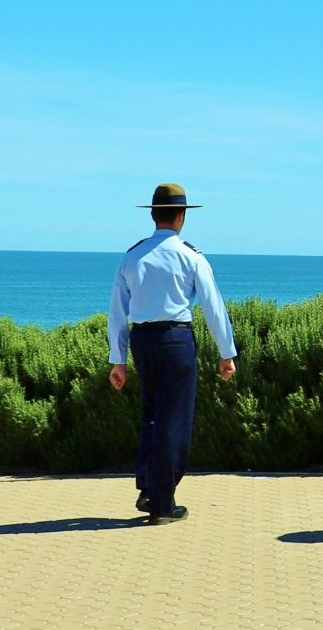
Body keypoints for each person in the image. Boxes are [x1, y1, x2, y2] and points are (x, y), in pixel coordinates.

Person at [107, 183, 238, 525]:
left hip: (142, 341)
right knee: (174, 420)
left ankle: (149, 487)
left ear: (153, 215)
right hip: (177, 340)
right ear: (181, 216)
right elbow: (213, 306)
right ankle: (162, 504)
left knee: (151, 414)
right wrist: (227, 353)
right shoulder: (191, 256)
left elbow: (117, 312)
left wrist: (117, 359)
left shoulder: (132, 256)